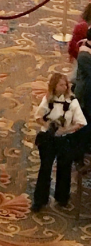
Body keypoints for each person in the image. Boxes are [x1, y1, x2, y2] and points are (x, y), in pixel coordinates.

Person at [32, 72, 87, 212]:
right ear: (54, 86)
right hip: (49, 138)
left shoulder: (72, 102)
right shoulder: (47, 99)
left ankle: (62, 197)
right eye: (61, 84)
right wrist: (48, 125)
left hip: (64, 138)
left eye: (66, 84)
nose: (65, 87)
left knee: (64, 167)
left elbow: (81, 122)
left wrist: (66, 130)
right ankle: (39, 200)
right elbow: (38, 116)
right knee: (45, 167)